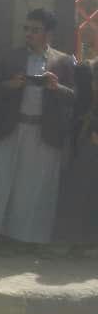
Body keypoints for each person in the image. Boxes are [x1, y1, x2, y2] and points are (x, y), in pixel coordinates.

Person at [0, 8, 76, 254]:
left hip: (45, 133)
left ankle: (30, 239)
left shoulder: (63, 61)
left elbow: (75, 97)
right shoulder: (11, 57)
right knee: (4, 182)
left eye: (35, 30)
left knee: (37, 187)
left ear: (48, 33)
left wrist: (56, 87)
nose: (29, 34)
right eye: (27, 29)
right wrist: (11, 85)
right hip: (12, 128)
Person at [54, 56, 98, 254]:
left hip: (89, 135)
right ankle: (76, 239)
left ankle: (86, 240)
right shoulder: (85, 68)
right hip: (86, 136)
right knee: (81, 188)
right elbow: (82, 101)